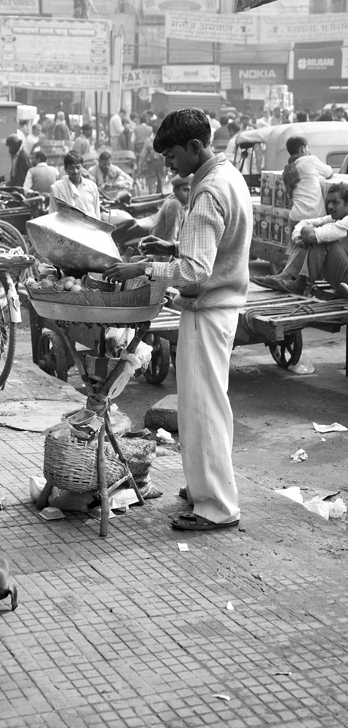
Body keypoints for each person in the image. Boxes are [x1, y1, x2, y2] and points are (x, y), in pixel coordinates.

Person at [102, 109, 252, 532]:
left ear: (194, 147)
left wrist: (145, 267)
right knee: (205, 406)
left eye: (171, 156)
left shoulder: (207, 193)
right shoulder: (228, 175)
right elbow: (212, 250)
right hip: (220, 308)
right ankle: (205, 486)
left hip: (209, 309)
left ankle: (216, 507)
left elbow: (196, 271)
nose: (168, 165)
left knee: (202, 409)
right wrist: (171, 247)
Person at [252, 184, 348, 297]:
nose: (330, 206)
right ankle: (287, 275)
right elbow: (303, 224)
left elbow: (314, 235)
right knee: (313, 236)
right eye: (329, 202)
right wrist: (298, 238)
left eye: (336, 202)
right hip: (341, 280)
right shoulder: (333, 219)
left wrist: (307, 233)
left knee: (320, 240)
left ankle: (301, 283)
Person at [281, 136, 333, 224]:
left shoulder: (288, 170)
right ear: (303, 149)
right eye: (308, 147)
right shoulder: (310, 160)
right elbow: (329, 173)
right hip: (315, 217)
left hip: (295, 216)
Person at [49, 151, 100, 219]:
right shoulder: (57, 188)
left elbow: (97, 212)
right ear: (66, 169)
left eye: (78, 167)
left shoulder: (92, 186)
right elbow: (52, 214)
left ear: (82, 168)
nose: (75, 171)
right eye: (71, 168)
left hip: (89, 228)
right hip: (66, 228)